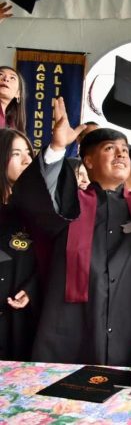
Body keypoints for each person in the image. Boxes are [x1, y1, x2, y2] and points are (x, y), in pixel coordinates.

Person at [12, 97, 131, 366]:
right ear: (88, 161)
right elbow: (35, 201)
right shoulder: (69, 204)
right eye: (110, 148)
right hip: (76, 319)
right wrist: (57, 147)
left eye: (125, 150)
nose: (121, 154)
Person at [0, 128, 38, 360]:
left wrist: (31, 290)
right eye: (16, 154)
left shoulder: (37, 210)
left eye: (29, 153)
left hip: (18, 323)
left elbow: (48, 261)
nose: (26, 159)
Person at [0, 66, 26, 132]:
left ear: (18, 93)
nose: (6, 79)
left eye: (12, 78)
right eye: (0, 74)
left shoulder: (12, 126)